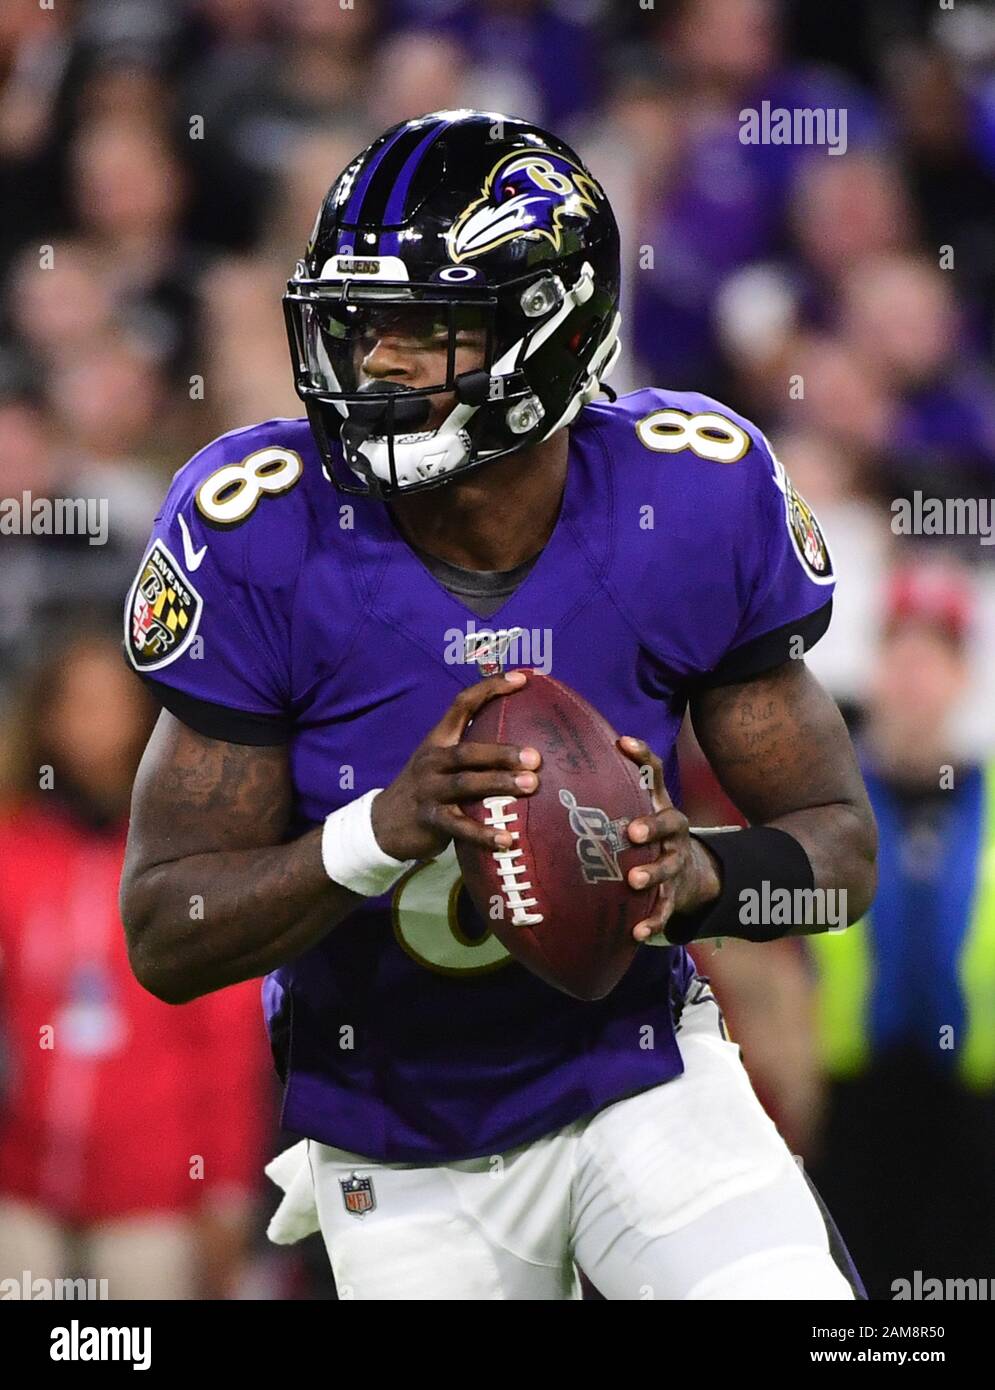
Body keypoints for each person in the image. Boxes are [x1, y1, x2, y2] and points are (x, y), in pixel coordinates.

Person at [119, 110, 877, 1301]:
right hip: (391, 1133)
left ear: (550, 330)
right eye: (365, 322)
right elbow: (164, 932)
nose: (375, 361)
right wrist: (376, 832)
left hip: (635, 1073)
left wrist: (704, 878)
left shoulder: (684, 501)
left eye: (427, 329)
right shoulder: (263, 531)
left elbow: (838, 851)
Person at [0, 630, 270, 1299]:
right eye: (75, 703)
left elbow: (229, 1037)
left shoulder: (185, 861)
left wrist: (226, 1190)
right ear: (46, 717)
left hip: (152, 1201)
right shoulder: (13, 849)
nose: (92, 723)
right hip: (20, 1192)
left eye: (110, 703)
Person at [807, 566, 995, 1299]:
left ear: (961, 674)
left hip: (977, 1106)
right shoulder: (824, 798)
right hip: (847, 1098)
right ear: (876, 666)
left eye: (934, 657)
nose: (915, 677)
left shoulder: (984, 797)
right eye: (901, 653)